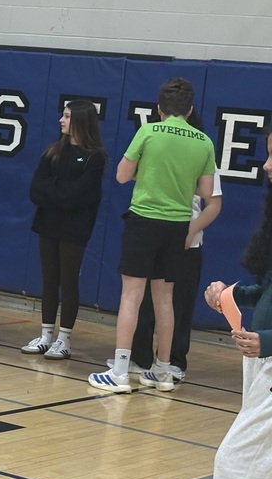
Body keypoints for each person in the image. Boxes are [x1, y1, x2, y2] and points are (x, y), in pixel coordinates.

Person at [152, 132, 272, 479]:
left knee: (239, 466)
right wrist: (241, 295)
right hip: (261, 357)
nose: (267, 164)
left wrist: (267, 335)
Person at [88, 78, 216, 393]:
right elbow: (207, 191)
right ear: (190, 109)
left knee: (131, 296)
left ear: (159, 109)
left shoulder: (148, 132)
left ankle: (119, 372)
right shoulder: (203, 141)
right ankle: (162, 370)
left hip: (144, 221)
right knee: (165, 299)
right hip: (178, 226)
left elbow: (121, 176)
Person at [126, 114, 223, 381]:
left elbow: (214, 203)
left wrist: (190, 231)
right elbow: (127, 174)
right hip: (157, 233)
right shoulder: (157, 148)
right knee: (145, 299)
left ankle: (173, 362)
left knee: (178, 303)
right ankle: (139, 357)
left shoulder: (202, 153)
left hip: (187, 240)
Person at [21, 100, 106, 360]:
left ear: (80, 120)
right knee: (49, 279)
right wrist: (60, 190)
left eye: (67, 116)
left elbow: (80, 195)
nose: (61, 119)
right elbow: (36, 189)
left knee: (68, 281)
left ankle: (64, 338)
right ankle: (46, 334)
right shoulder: (52, 152)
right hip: (48, 223)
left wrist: (54, 189)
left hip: (75, 228)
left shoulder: (95, 157)